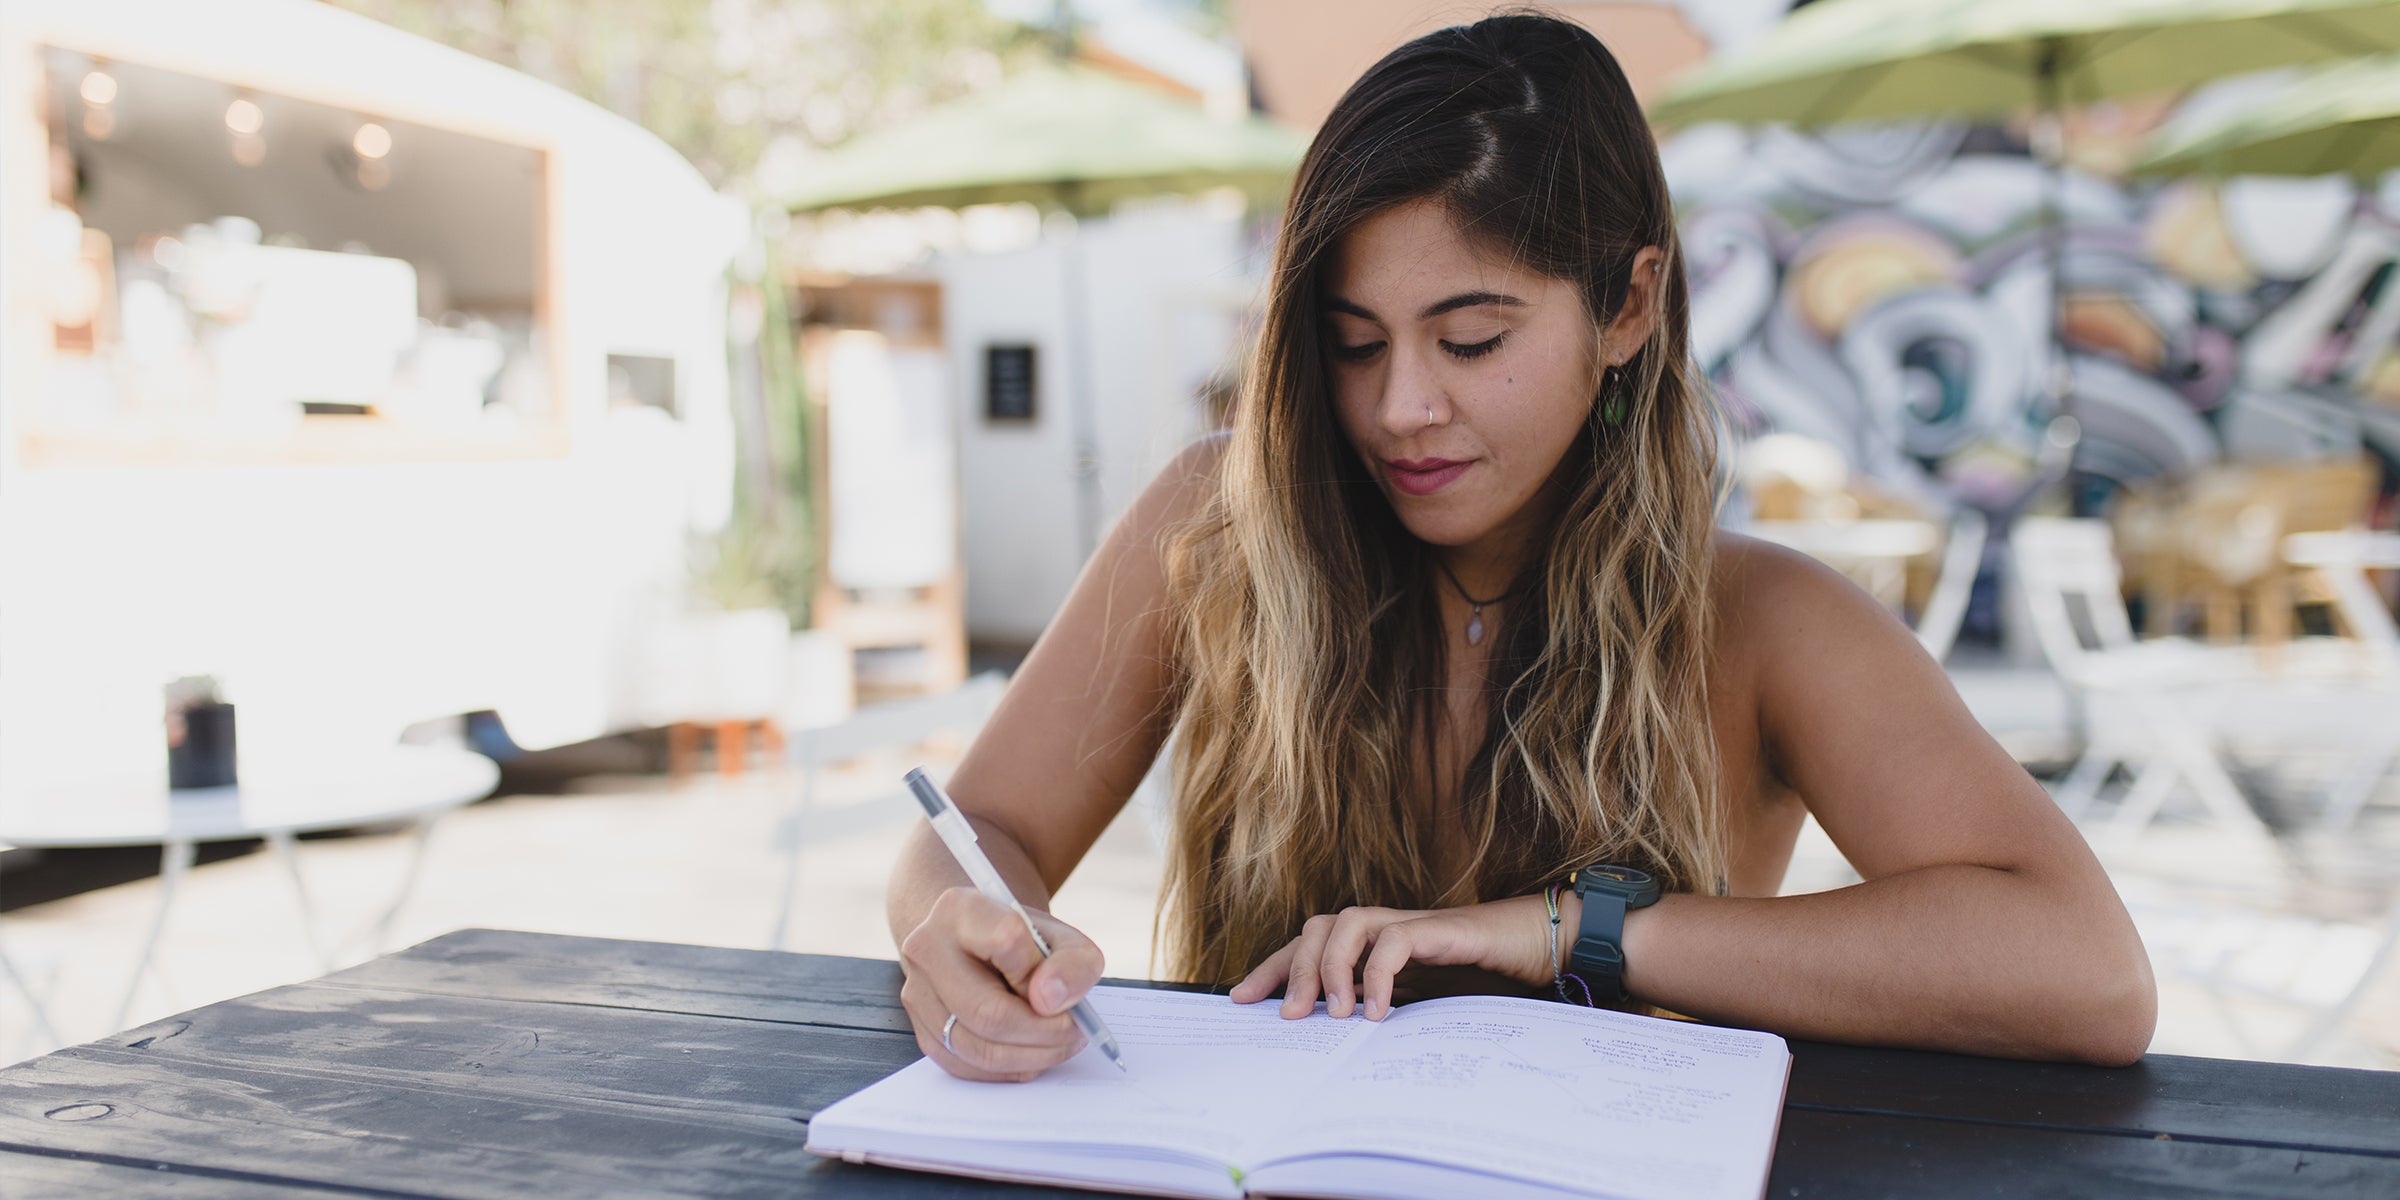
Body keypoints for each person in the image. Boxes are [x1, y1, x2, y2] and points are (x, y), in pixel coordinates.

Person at [886, 10, 2156, 1082]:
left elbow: (2084, 970)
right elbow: (979, 823)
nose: (1399, 410)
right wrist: (963, 927)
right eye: (1355, 341)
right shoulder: (1216, 528)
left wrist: (1570, 932)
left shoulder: (1759, 620)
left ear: (1628, 305)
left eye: (1473, 339)